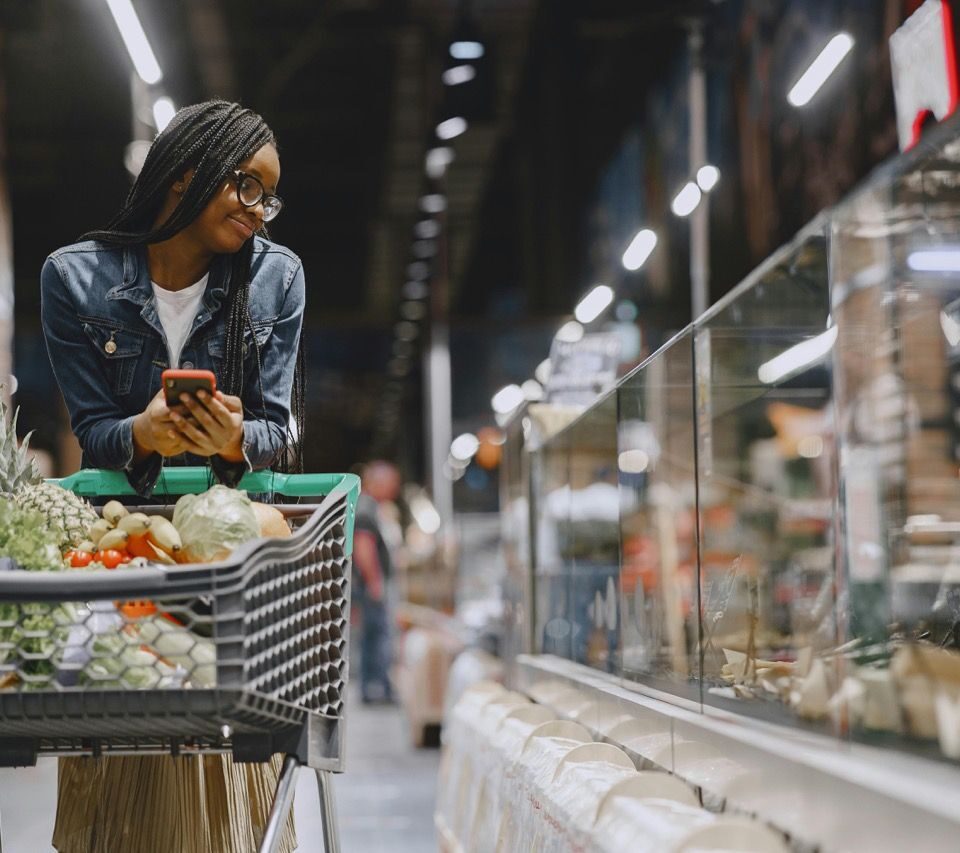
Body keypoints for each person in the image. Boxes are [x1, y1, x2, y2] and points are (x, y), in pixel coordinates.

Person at [40, 100, 302, 853]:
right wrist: (144, 434)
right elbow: (92, 431)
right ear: (187, 173)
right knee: (129, 743)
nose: (259, 211)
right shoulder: (75, 278)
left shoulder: (277, 277)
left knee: (228, 750)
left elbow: (280, 432)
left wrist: (234, 444)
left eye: (269, 195)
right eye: (246, 187)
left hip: (232, 553)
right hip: (122, 552)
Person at [353, 460, 400, 703]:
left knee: (375, 636)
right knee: (376, 636)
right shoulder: (365, 509)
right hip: (370, 587)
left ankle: (375, 686)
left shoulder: (371, 507)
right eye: (391, 484)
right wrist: (375, 583)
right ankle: (374, 688)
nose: (394, 490)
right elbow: (363, 548)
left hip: (371, 586)